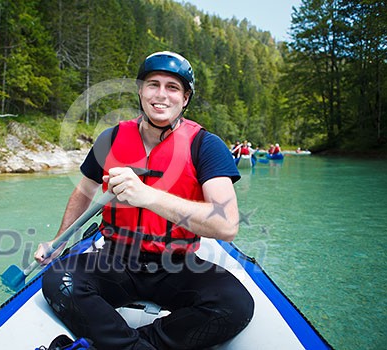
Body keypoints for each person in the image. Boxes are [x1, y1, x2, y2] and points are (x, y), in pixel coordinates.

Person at [35, 51, 254, 350]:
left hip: (177, 266)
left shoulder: (206, 145)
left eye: (172, 87)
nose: (161, 95)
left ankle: (136, 343)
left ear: (185, 98)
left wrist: (148, 196)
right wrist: (58, 242)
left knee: (236, 305)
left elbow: (226, 225)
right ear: (140, 91)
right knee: (58, 280)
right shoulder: (110, 139)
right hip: (115, 261)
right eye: (153, 84)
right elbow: (84, 191)